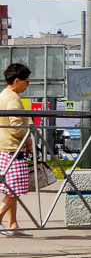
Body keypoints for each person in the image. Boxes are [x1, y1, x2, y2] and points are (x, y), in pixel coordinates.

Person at [0, 63, 34, 237]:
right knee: (15, 189)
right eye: (26, 82)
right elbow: (16, 127)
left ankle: (12, 224)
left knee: (10, 189)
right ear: (17, 80)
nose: (28, 85)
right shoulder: (13, 98)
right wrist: (28, 137)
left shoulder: (3, 95)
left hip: (4, 148)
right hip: (13, 149)